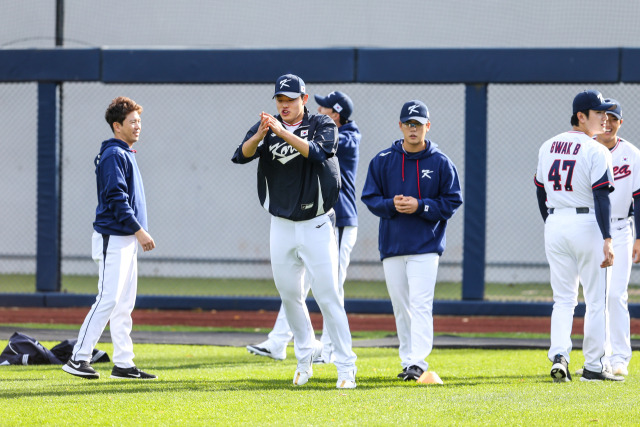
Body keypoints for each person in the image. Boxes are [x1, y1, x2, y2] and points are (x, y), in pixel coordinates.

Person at [232, 74, 358, 389]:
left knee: (328, 297)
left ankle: (346, 367)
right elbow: (240, 155)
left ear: (303, 98)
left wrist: (280, 133)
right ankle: (303, 362)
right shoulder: (269, 126)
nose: (284, 105)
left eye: (290, 99)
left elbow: (318, 152)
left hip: (316, 223)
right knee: (290, 297)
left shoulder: (322, 123)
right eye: (280, 99)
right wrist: (261, 133)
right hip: (282, 225)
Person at [361, 100, 462, 381]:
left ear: (427, 126)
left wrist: (422, 206)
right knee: (400, 303)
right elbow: (370, 198)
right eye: (409, 123)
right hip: (392, 245)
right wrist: (391, 204)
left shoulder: (441, 163)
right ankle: (407, 360)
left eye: (418, 124)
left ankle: (418, 361)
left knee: (420, 303)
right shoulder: (383, 160)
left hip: (426, 245)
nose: (413, 129)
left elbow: (453, 201)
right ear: (401, 126)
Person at [62, 96, 157, 380]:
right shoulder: (115, 154)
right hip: (113, 238)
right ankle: (78, 358)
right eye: (132, 122)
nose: (138, 126)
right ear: (117, 126)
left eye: (139, 121)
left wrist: (135, 233)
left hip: (125, 239)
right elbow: (116, 198)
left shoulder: (124, 152)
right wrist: (139, 230)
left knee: (124, 304)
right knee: (107, 299)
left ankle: (124, 364)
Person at [534, 89, 623, 382]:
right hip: (586, 225)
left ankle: (560, 355)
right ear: (581, 117)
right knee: (596, 300)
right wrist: (608, 238)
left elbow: (539, 189)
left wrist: (551, 222)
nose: (605, 118)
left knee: (563, 300)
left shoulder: (547, 145)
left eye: (607, 113)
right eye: (599, 113)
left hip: (556, 223)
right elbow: (601, 198)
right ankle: (595, 366)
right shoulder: (596, 150)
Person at [594, 99, 640, 376]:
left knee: (615, 295)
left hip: (622, 229)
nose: (608, 123)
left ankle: (620, 356)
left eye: (614, 118)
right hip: (592, 228)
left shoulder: (632, 154)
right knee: (596, 296)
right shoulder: (586, 150)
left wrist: (639, 238)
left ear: (621, 123)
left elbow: (639, 197)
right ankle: (598, 358)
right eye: (604, 117)